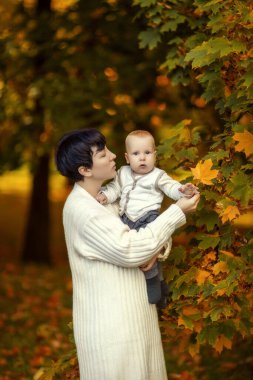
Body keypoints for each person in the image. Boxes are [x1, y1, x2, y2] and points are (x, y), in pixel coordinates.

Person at [55, 128, 200, 380]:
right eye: (103, 154)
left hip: (134, 320)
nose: (113, 156)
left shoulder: (105, 200)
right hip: (112, 329)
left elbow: (143, 235)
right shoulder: (83, 211)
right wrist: (177, 212)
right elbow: (130, 248)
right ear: (85, 170)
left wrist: (156, 251)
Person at [96, 130, 198, 309]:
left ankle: (152, 282)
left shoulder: (157, 175)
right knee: (132, 251)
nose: (142, 158)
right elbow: (114, 189)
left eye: (147, 153)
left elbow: (171, 187)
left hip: (148, 217)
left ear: (155, 156)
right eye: (136, 154)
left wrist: (182, 190)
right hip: (126, 218)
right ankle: (160, 284)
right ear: (127, 158)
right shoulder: (122, 173)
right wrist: (105, 195)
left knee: (148, 250)